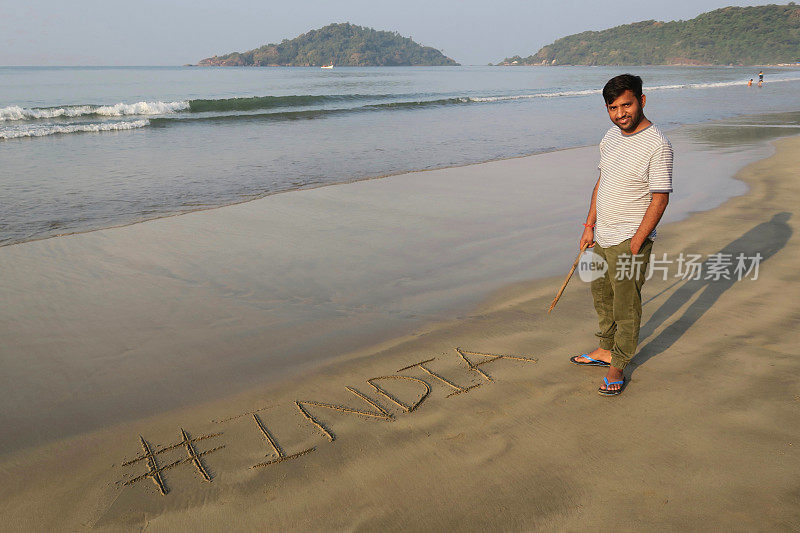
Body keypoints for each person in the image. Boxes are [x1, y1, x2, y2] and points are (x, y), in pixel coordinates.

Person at [570, 74, 673, 396]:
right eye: (612, 108)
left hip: (630, 240)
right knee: (601, 296)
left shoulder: (658, 144)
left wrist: (638, 242)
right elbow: (603, 183)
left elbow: (660, 197)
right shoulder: (610, 137)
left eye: (626, 105)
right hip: (601, 236)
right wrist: (589, 227)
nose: (620, 114)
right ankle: (605, 350)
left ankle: (618, 365)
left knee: (626, 306)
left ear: (642, 101)